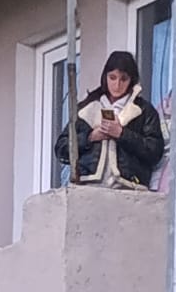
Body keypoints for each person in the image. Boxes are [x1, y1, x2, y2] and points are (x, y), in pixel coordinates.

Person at [55, 50, 164, 189]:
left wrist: (122, 134)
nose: (117, 85)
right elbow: (61, 148)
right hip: (87, 186)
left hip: (129, 187)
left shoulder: (143, 111)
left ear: (132, 80)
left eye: (123, 79)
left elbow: (154, 151)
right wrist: (90, 137)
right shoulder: (86, 108)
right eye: (112, 77)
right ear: (105, 77)